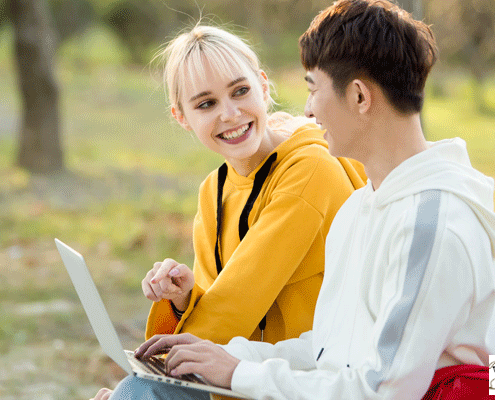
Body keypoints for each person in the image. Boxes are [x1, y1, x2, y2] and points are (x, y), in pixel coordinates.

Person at [98, 0, 495, 399]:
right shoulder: (363, 207)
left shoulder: (430, 225)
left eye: (314, 88)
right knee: (146, 393)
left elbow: (381, 391)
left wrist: (240, 373)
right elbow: (328, 349)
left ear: (357, 96)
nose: (307, 111)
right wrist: (224, 357)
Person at [91, 19, 366, 400]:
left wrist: (152, 376)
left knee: (140, 391)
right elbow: (220, 304)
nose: (230, 114)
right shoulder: (213, 190)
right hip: (245, 372)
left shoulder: (308, 171)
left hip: (305, 374)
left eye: (240, 91)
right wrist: (185, 297)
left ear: (263, 85)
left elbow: (238, 303)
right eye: (206, 103)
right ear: (181, 117)